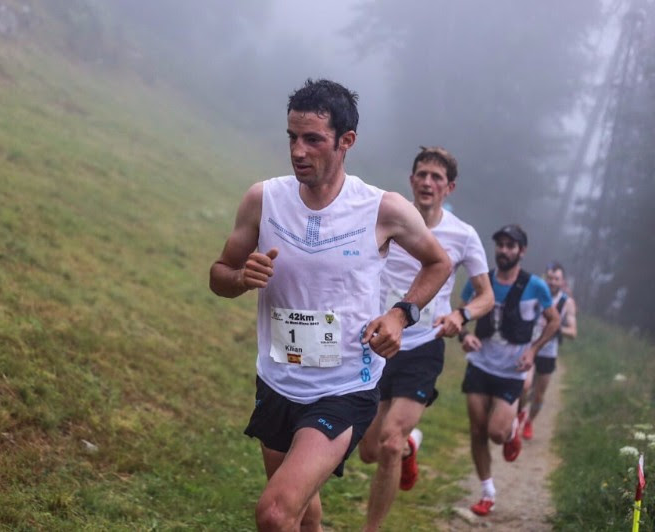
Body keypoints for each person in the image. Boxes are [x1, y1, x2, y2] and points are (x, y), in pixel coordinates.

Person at [209, 79, 451, 531]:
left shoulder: (383, 209)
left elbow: (438, 263)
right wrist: (242, 278)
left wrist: (401, 314)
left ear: (346, 141)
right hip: (278, 378)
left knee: (276, 512)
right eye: (292, 138)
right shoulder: (263, 200)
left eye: (313, 139)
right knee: (302, 515)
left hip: (345, 386)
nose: (298, 151)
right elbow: (219, 275)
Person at [358, 147, 494, 532]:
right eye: (422, 174)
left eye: (437, 177)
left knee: (388, 442)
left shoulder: (463, 235)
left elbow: (486, 295)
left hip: (423, 346)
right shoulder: (390, 218)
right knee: (368, 450)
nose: (428, 182)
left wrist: (461, 314)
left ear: (449, 187)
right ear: (411, 179)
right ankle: (409, 446)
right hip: (381, 342)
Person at [457, 224, 560, 516]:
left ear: (521, 251)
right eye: (500, 244)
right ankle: (487, 491)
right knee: (477, 430)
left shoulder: (535, 286)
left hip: (512, 370)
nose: (504, 250)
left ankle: (512, 427)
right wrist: (465, 336)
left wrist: (533, 350)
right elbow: (460, 313)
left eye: (510, 245)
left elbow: (553, 320)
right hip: (479, 365)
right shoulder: (482, 281)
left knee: (496, 434)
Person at [519, 261, 577, 440]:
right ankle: (519, 412)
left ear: (562, 281)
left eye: (556, 279)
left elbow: (573, 332)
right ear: (545, 278)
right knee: (525, 385)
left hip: (549, 353)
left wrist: (555, 327)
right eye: (550, 278)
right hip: (530, 348)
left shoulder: (567, 303)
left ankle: (529, 422)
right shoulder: (536, 293)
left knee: (539, 395)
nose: (552, 282)